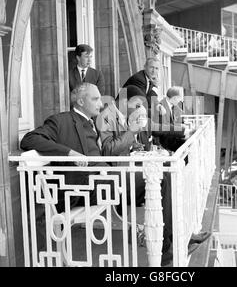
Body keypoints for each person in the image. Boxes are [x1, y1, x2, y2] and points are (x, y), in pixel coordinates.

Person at [97, 86, 210, 266]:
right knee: (162, 180)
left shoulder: (123, 114)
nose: (139, 109)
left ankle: (177, 239)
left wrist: (135, 145)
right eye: (137, 105)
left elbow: (151, 129)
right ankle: (166, 249)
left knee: (170, 174)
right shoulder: (106, 116)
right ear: (125, 101)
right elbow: (108, 150)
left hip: (130, 171)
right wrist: (132, 133)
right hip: (116, 178)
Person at [20, 83, 109, 212]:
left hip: (101, 179)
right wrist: (70, 153)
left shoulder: (93, 123)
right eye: (95, 99)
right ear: (80, 101)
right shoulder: (60, 120)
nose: (100, 104)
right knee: (142, 180)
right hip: (81, 188)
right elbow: (29, 139)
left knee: (141, 177)